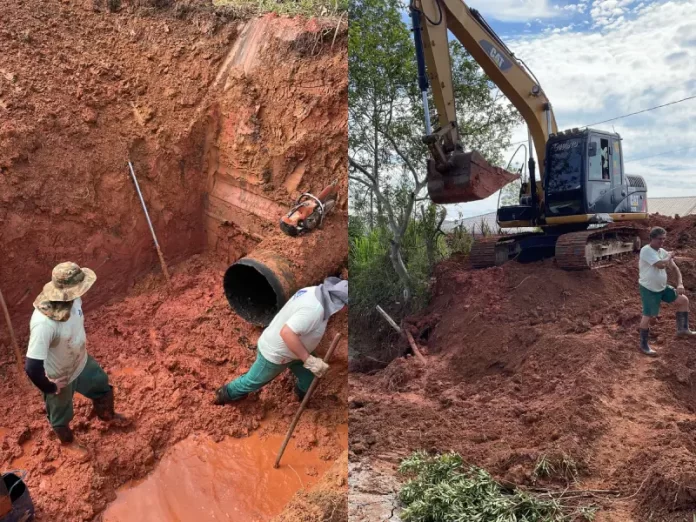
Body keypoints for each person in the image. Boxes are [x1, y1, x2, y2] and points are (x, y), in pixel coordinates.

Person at [25, 262, 123, 456]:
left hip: (81, 361)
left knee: (101, 385)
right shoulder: (44, 323)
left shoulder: (73, 299)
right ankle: (68, 443)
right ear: (66, 291)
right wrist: (50, 386)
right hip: (60, 374)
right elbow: (32, 366)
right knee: (60, 414)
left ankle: (106, 416)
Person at [214, 277, 348, 405]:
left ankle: (301, 397)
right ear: (340, 304)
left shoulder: (315, 292)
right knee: (252, 381)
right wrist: (309, 360)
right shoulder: (314, 310)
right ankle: (225, 395)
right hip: (276, 353)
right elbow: (287, 333)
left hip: (295, 350)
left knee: (311, 376)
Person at [638, 227, 696, 356]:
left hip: (662, 287)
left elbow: (675, 269)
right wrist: (669, 256)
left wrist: (680, 283)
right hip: (649, 289)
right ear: (652, 238)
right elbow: (660, 265)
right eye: (660, 239)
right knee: (648, 316)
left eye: (664, 239)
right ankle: (643, 345)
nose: (662, 241)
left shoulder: (662, 251)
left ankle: (683, 329)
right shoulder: (646, 251)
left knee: (683, 300)